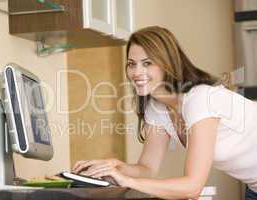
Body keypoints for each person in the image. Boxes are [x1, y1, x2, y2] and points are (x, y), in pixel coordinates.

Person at [71, 26, 257, 200]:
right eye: (131, 64)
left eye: (147, 63)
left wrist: (127, 181)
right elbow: (147, 169)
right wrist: (115, 167)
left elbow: (192, 186)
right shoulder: (157, 108)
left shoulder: (200, 99)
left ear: (167, 63)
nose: (136, 72)